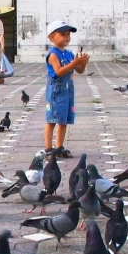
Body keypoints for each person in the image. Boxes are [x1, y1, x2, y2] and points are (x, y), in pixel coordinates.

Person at [44, 20, 89, 159]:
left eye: (68, 34)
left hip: (67, 91)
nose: (67, 37)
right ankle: (48, 149)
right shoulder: (53, 54)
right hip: (56, 92)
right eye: (63, 34)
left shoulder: (69, 54)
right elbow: (58, 72)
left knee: (63, 120)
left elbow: (79, 71)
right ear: (52, 37)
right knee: (51, 120)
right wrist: (74, 63)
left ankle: (59, 147)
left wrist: (82, 63)